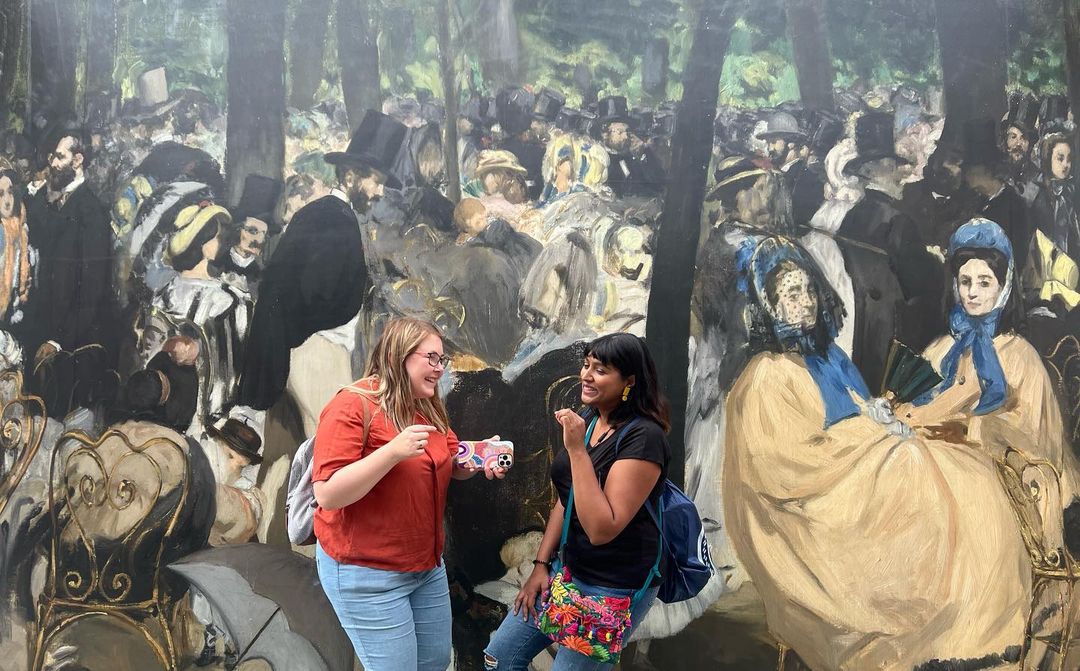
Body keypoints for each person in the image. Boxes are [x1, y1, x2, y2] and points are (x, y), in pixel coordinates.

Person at [723, 236, 1029, 671]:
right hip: (811, 511)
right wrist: (872, 432)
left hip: (856, 476)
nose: (806, 302)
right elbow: (787, 467)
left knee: (964, 472)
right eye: (792, 293)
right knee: (919, 471)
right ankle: (926, 619)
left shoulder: (829, 357)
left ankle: (965, 626)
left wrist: (877, 416)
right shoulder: (765, 376)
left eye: (809, 289)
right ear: (768, 305)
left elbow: (858, 410)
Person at [312, 317, 506, 671]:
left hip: (425, 567)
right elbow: (328, 494)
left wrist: (476, 460)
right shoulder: (352, 405)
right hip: (368, 573)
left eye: (442, 359)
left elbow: (448, 460)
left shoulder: (426, 406)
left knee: (434, 663)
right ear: (399, 355)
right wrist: (392, 452)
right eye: (431, 358)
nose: (439, 368)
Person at [483, 332, 670, 670]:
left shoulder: (644, 438)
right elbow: (566, 499)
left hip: (612, 587)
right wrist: (541, 565)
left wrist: (576, 451)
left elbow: (601, 529)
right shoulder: (590, 420)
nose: (586, 375)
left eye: (600, 370)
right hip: (566, 572)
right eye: (586, 365)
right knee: (499, 658)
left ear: (629, 381)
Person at [899, 218, 1080, 511]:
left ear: (1003, 286)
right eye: (965, 282)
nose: (972, 293)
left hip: (993, 470)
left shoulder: (1018, 355)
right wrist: (901, 413)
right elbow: (914, 399)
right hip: (931, 454)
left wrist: (970, 428)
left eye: (984, 282)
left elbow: (1036, 435)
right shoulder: (942, 348)